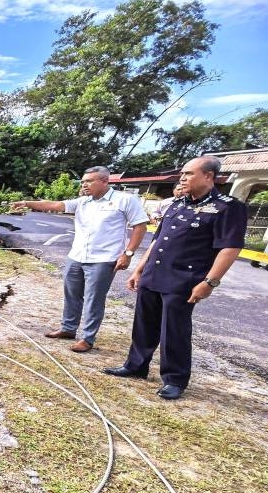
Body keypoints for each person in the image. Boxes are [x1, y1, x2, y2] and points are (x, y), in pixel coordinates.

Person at [103, 156, 247, 400]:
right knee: (144, 324)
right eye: (182, 173)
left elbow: (230, 248)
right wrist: (139, 268)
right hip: (154, 274)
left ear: (208, 176)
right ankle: (135, 366)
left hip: (184, 278)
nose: (183, 178)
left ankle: (175, 379)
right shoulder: (177, 204)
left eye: (189, 173)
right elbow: (158, 240)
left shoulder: (227, 207)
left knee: (174, 330)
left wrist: (210, 282)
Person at [10, 166, 148, 352]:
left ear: (105, 181)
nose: (84, 184)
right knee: (72, 294)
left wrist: (128, 254)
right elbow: (54, 205)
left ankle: (88, 338)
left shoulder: (125, 200)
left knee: (94, 299)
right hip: (77, 256)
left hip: (104, 258)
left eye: (89, 181)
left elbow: (140, 227)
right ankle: (68, 328)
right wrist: (27, 203)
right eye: (83, 181)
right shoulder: (83, 202)